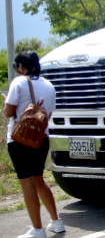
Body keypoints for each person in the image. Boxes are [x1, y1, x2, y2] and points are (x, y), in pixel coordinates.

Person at [3, 52, 63, 238]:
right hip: (40, 139)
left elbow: (9, 112)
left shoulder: (19, 83)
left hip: (19, 141)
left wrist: (6, 100)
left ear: (21, 66)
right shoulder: (49, 85)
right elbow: (48, 116)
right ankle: (56, 222)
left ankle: (37, 230)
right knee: (38, 180)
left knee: (27, 184)